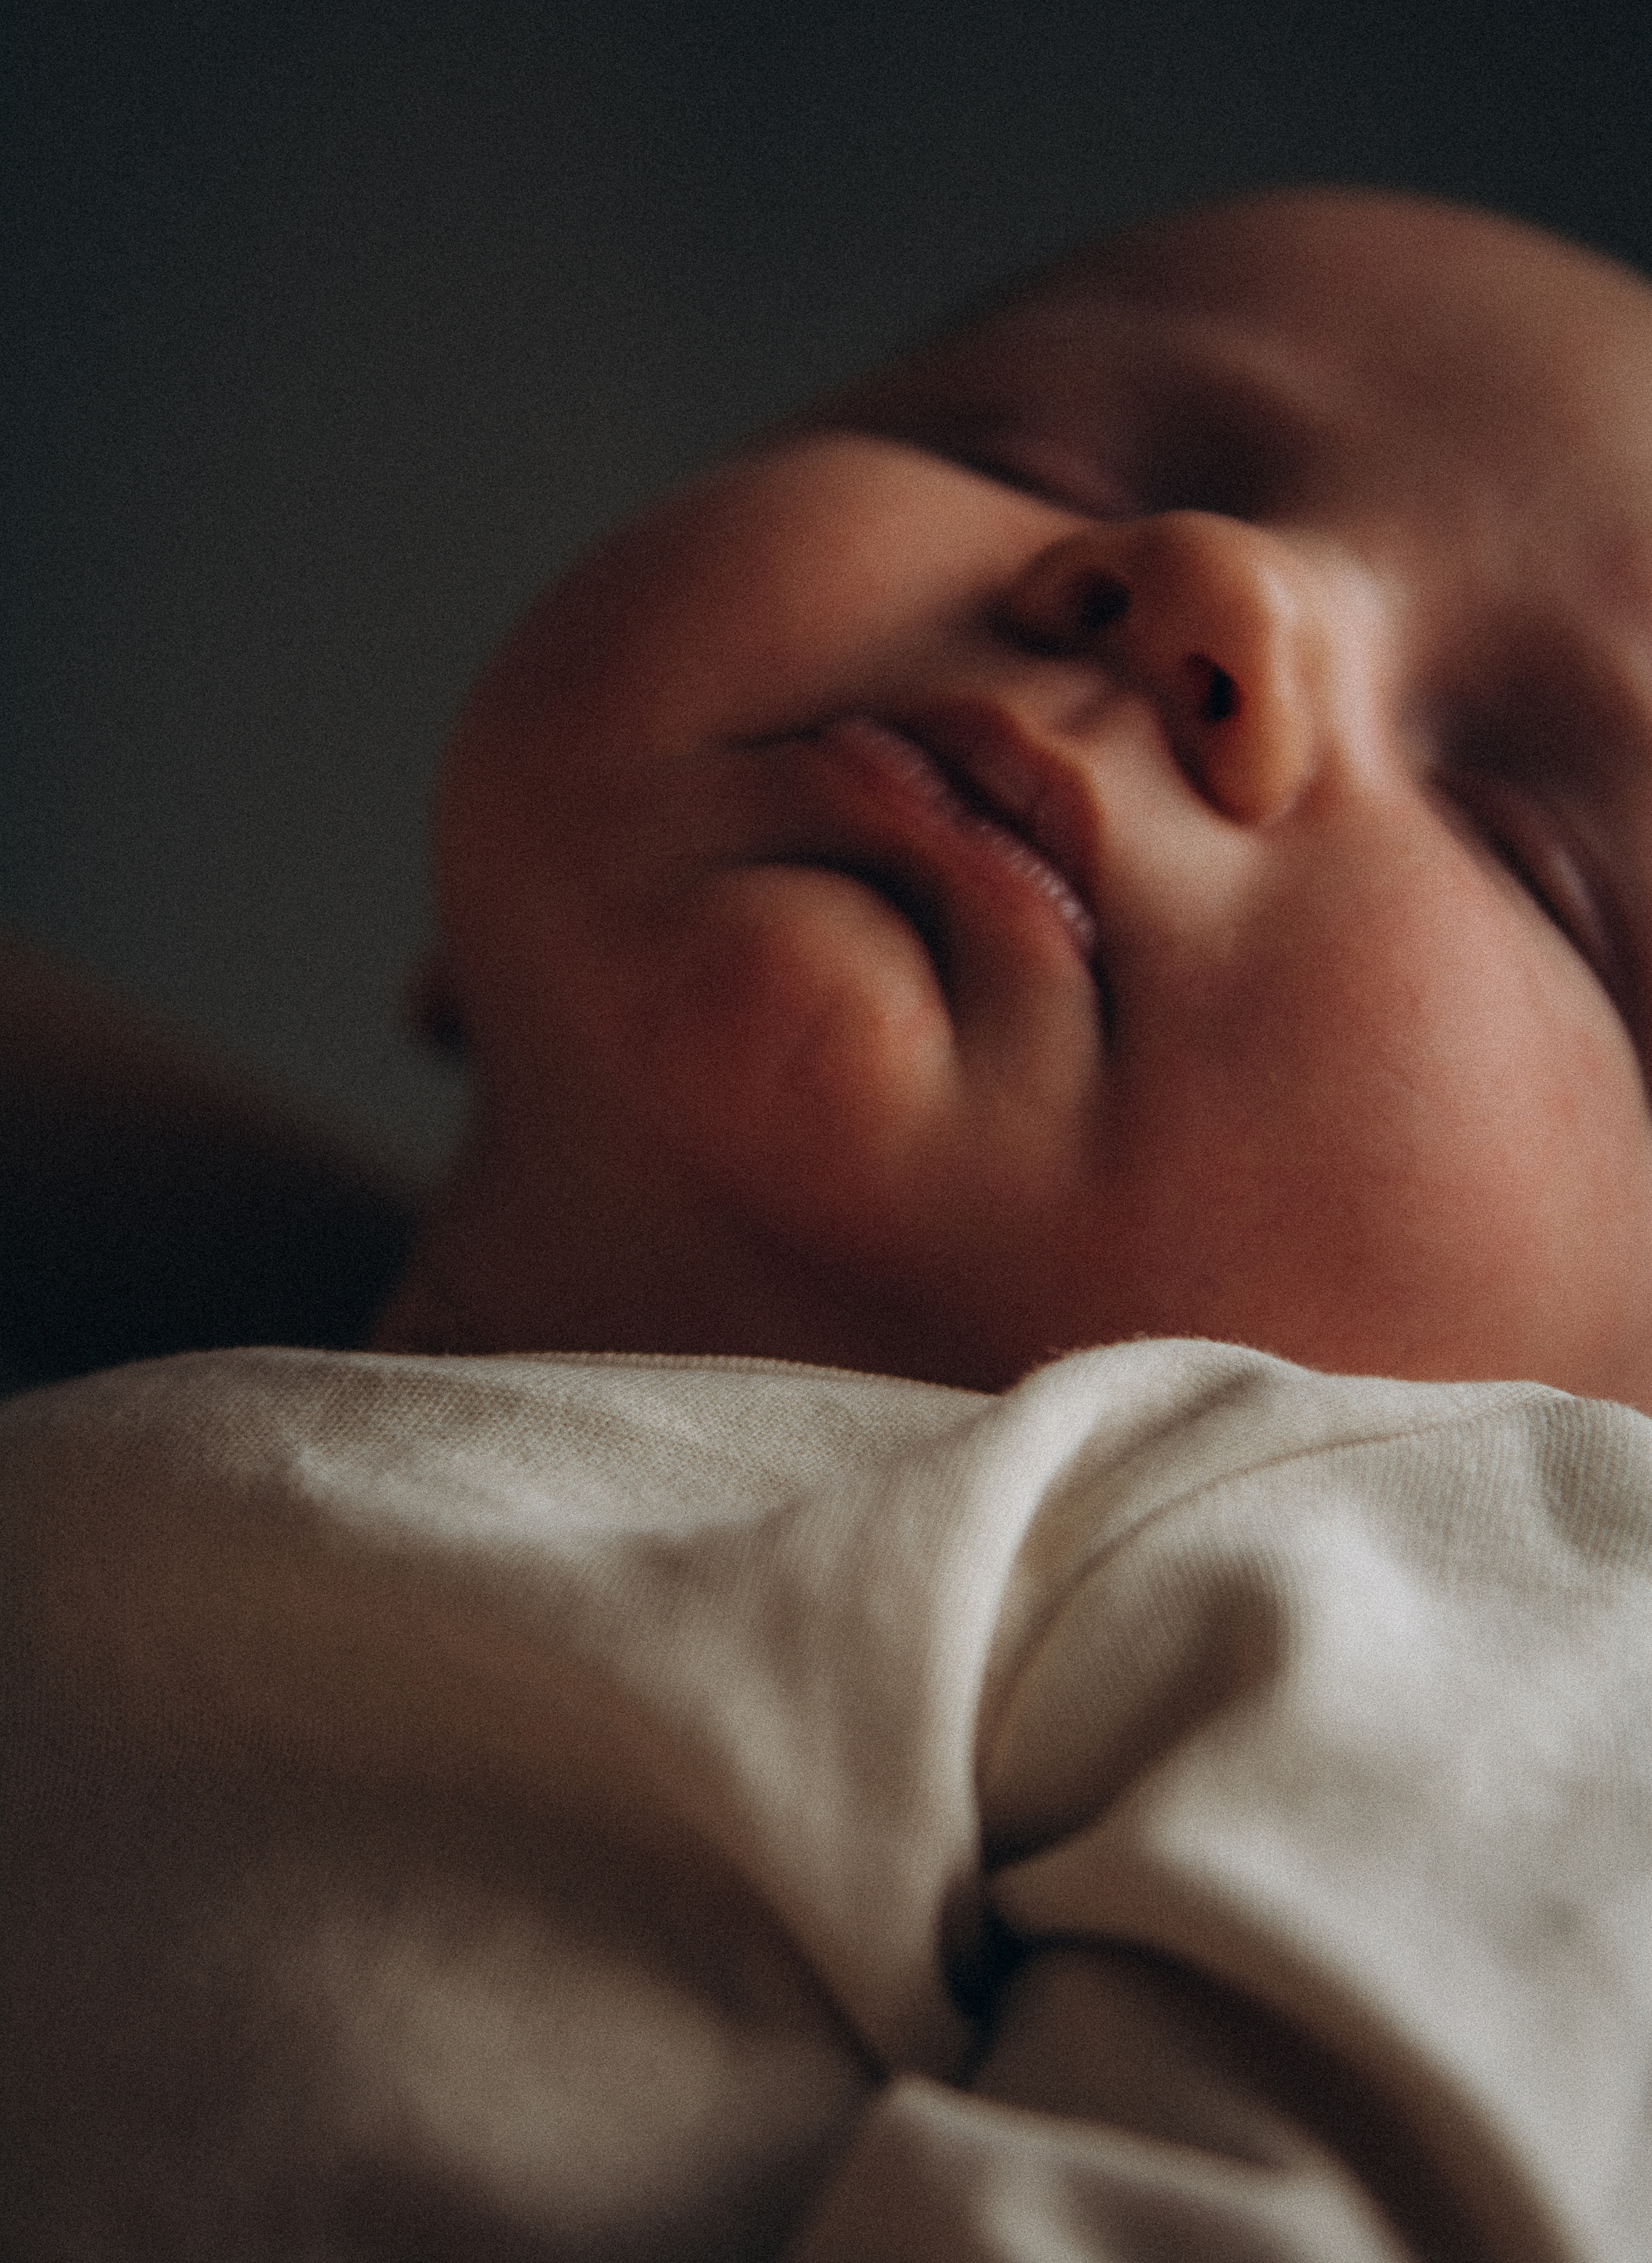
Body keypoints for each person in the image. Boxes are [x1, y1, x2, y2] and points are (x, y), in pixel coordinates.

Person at [5, 187, 1652, 2258]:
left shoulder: (1489, 1603)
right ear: (456, 967)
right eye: (1036, 450)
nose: (1216, 581)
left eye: (1542, 839)